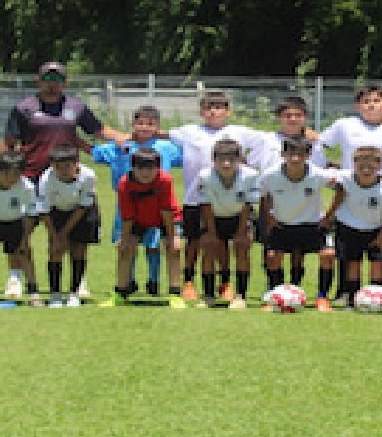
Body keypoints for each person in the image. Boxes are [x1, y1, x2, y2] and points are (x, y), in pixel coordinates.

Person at [2, 61, 129, 299]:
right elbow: (10, 143)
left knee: (76, 232)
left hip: (69, 178)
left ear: (65, 82)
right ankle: (15, 277)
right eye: (48, 79)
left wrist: (127, 137)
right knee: (20, 231)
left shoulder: (76, 107)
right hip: (32, 176)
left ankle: (78, 282)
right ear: (39, 81)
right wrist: (7, 173)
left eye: (58, 79)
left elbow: (99, 130)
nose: (52, 84)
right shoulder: (23, 108)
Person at [153, 90, 269, 302]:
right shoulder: (189, 131)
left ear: (228, 111)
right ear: (201, 112)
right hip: (195, 197)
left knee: (222, 242)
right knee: (194, 242)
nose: (213, 112)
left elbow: (267, 140)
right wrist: (131, 136)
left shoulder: (239, 132)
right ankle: (189, 281)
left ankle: (224, 282)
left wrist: (250, 162)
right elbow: (162, 134)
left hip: (230, 197)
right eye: (208, 108)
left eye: (218, 108)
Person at [319, 86, 382, 302]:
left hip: (380, 194)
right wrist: (328, 167)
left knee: (380, 247)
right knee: (348, 250)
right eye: (366, 101)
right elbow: (320, 142)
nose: (371, 105)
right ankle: (346, 292)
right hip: (350, 192)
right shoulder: (345, 125)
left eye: (376, 101)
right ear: (358, 106)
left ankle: (381, 293)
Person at [92, 105, 182, 296]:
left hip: (157, 203)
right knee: (126, 243)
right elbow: (95, 153)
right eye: (140, 123)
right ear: (132, 124)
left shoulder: (166, 147)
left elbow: (189, 154)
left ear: (158, 126)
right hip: (127, 202)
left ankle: (154, 281)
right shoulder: (122, 145)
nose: (144, 127)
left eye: (150, 124)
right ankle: (128, 281)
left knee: (153, 245)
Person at [255, 96, 331, 291]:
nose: (292, 119)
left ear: (305, 118)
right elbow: (252, 162)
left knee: (298, 250)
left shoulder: (314, 142)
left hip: (303, 200)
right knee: (272, 250)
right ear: (279, 117)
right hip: (272, 199)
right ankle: (274, 288)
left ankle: (295, 287)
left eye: (298, 115)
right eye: (287, 115)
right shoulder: (266, 139)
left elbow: (320, 170)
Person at [257, 136, 339, 313]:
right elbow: (263, 196)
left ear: (308, 155)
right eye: (291, 154)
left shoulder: (319, 174)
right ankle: (275, 296)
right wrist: (270, 217)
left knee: (328, 254)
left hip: (312, 225)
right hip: (283, 224)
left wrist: (328, 216)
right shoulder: (270, 175)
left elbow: (342, 189)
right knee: (272, 257)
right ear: (282, 154)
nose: (295, 158)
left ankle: (322, 297)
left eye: (300, 154)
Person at [101, 148, 184, 308]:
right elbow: (127, 215)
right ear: (132, 167)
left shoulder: (164, 180)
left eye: (150, 168)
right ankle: (120, 293)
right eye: (140, 168)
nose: (145, 173)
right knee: (125, 249)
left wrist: (172, 236)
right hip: (138, 220)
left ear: (158, 168)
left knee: (173, 249)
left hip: (165, 218)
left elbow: (167, 210)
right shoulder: (125, 183)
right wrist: (125, 238)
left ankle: (175, 294)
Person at [322, 146, 382, 308]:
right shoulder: (344, 178)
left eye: (371, 167)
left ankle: (377, 299)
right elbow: (320, 177)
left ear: (379, 165)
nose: (366, 170)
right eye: (361, 166)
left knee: (377, 266)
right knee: (352, 264)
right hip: (349, 227)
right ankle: (352, 299)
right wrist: (327, 216)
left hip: (376, 230)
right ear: (354, 164)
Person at [195, 139, 260, 309]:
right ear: (213, 159)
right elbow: (205, 205)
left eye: (231, 160)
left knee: (242, 249)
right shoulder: (204, 176)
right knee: (208, 249)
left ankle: (240, 296)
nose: (226, 164)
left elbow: (247, 205)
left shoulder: (251, 175)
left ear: (239, 159)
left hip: (240, 216)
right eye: (221, 160)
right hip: (213, 216)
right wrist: (211, 233)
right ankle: (208, 296)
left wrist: (241, 232)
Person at [36, 144, 100, 308]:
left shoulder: (88, 176)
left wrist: (64, 234)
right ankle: (55, 294)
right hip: (56, 212)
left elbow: (83, 206)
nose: (63, 171)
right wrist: (55, 237)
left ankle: (74, 292)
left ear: (76, 164)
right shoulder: (46, 180)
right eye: (58, 167)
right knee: (55, 251)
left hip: (82, 212)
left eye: (67, 166)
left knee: (79, 250)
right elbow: (44, 212)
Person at [0, 151, 40, 306]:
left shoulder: (27, 187)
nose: (12, 179)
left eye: (17, 175)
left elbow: (31, 214)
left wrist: (25, 237)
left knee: (24, 253)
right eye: (7, 174)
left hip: (15, 222)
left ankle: (33, 293)